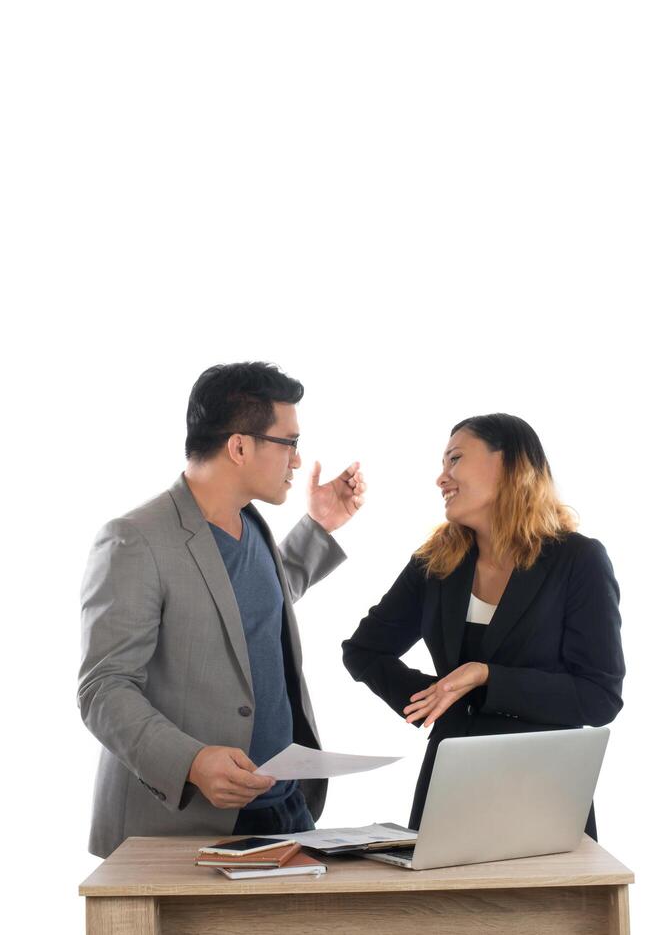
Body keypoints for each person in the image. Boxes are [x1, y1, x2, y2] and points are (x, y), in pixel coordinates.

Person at [79, 362, 365, 858]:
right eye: (289, 443)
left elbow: (245, 611)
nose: (296, 461)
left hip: (285, 808)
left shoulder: (252, 524)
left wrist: (319, 527)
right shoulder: (134, 538)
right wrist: (190, 761)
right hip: (183, 824)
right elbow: (103, 688)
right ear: (239, 446)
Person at [342, 413, 624, 840]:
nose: (442, 478)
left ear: (509, 465)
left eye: (455, 459)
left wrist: (487, 677)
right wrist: (440, 700)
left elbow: (599, 697)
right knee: (445, 910)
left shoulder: (576, 561)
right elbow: (363, 650)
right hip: (451, 788)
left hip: (546, 794)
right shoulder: (434, 563)